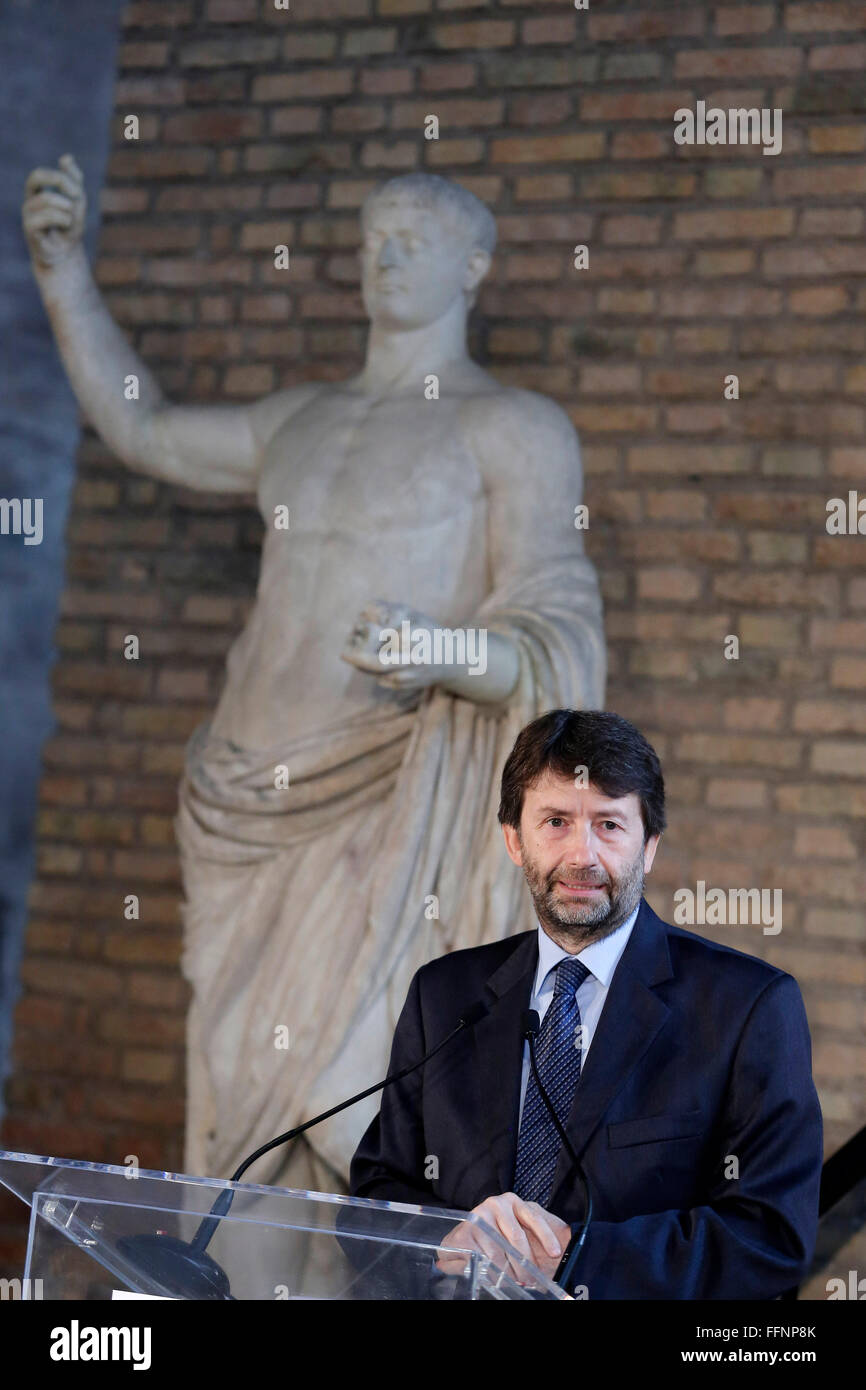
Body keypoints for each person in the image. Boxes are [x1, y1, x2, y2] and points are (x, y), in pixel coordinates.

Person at [21, 162, 606, 1212]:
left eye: (412, 237)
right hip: (245, 797)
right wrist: (62, 273)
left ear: (472, 266)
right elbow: (144, 427)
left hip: (384, 805)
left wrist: (442, 651)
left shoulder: (511, 427)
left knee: (358, 1101)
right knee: (238, 1101)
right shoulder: (297, 419)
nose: (384, 253)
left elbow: (553, 628)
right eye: (374, 232)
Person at [349, 709, 824, 1299]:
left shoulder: (748, 1007)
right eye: (555, 821)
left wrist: (571, 1259)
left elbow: (769, 1238)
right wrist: (451, 1239)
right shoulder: (444, 994)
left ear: (648, 847)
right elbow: (373, 1194)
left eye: (609, 825)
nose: (582, 856)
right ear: (514, 840)